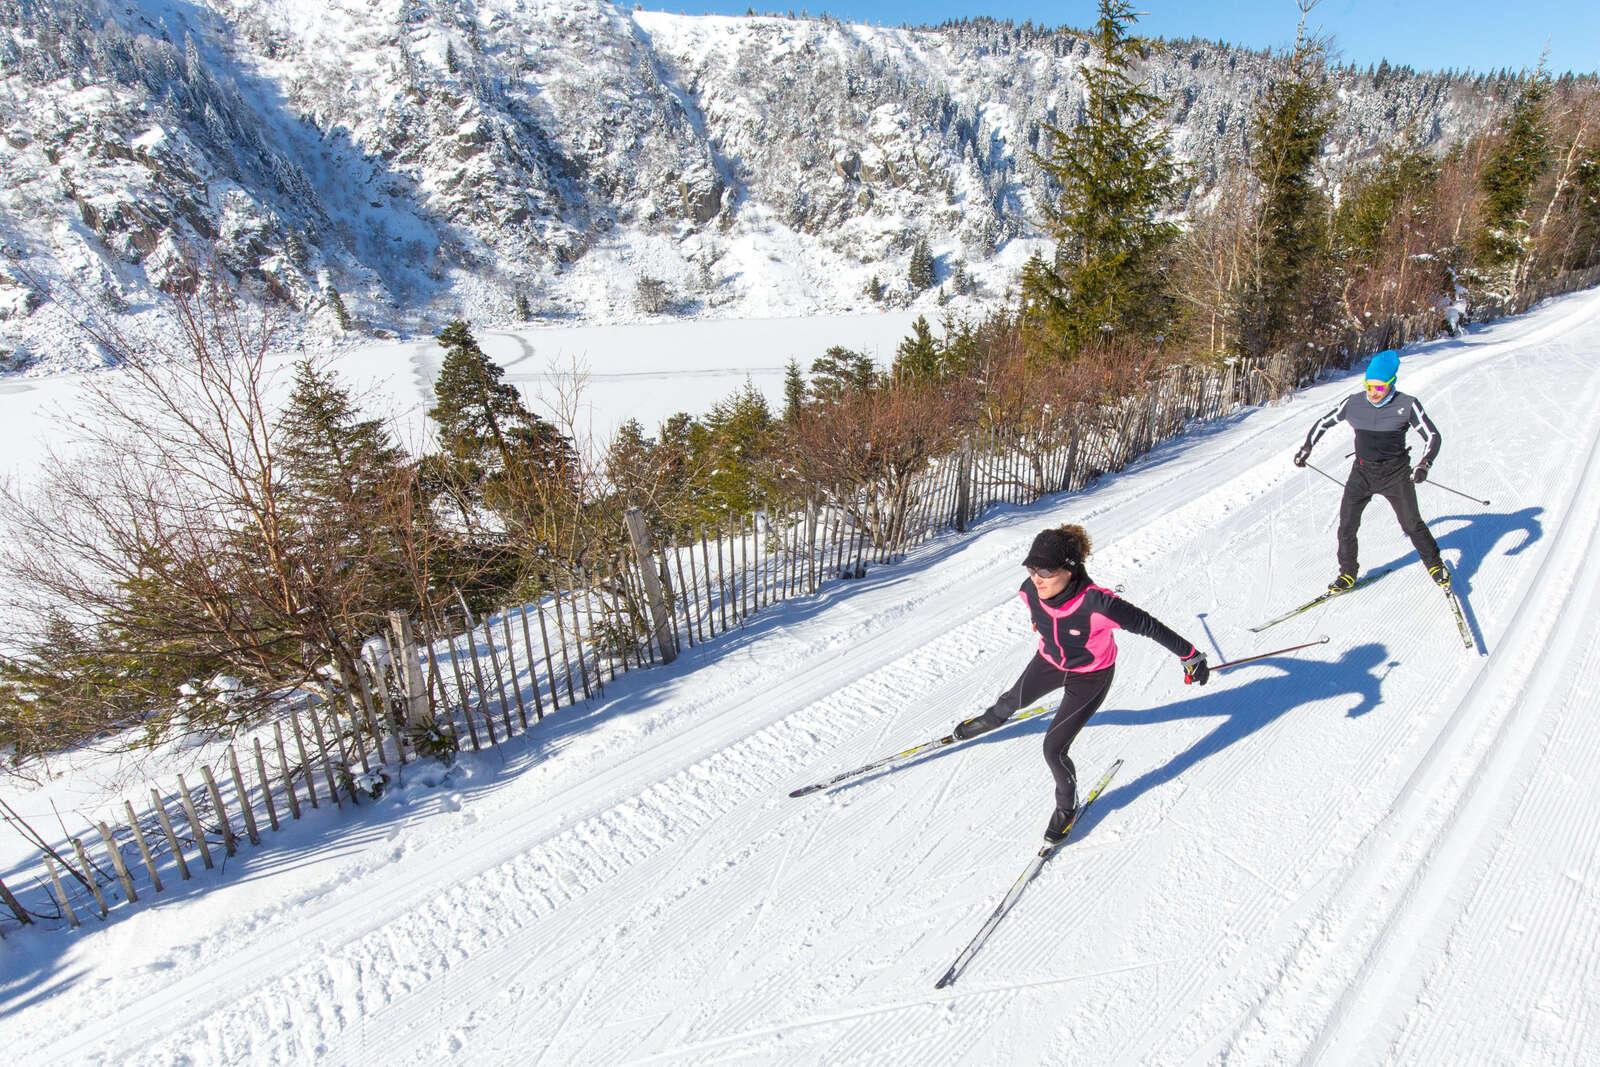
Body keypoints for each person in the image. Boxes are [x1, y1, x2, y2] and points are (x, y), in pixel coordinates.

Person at [953, 524, 1209, 844]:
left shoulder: (1099, 605)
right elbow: (1041, 614)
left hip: (1091, 675)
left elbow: (1150, 626)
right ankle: (991, 720)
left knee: (1054, 748)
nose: (1036, 577)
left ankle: (1067, 807)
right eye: (1032, 567)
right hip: (1049, 662)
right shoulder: (1029, 590)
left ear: (1070, 570)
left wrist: (1190, 656)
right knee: (1010, 700)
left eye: (1045, 569)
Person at [1293, 349, 1448, 593]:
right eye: (1368, 386)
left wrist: (1424, 463)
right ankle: (1347, 574)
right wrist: (1306, 448)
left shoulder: (1407, 405)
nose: (1372, 393)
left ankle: (1435, 565)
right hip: (1362, 474)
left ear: (1391, 384)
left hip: (1395, 475)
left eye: (1379, 387)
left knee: (1411, 525)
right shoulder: (1353, 403)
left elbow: (1432, 435)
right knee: (1346, 526)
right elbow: (1324, 422)